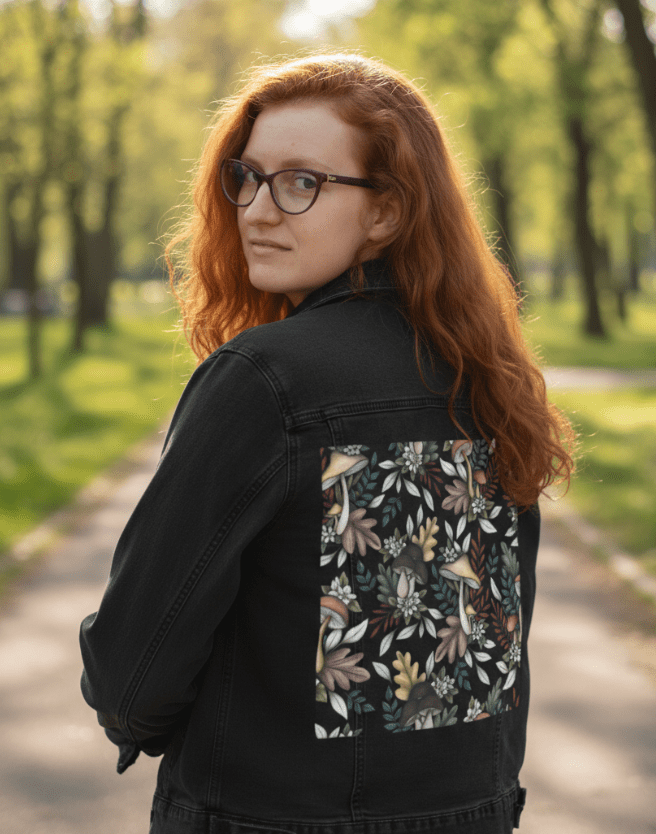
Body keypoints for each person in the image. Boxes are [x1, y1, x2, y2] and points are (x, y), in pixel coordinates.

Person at [79, 53, 576, 834]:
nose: (257, 210)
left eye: (302, 182)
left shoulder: (264, 379)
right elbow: (479, 659)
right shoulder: (487, 377)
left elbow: (132, 665)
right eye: (247, 177)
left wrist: (140, 726)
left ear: (386, 213)